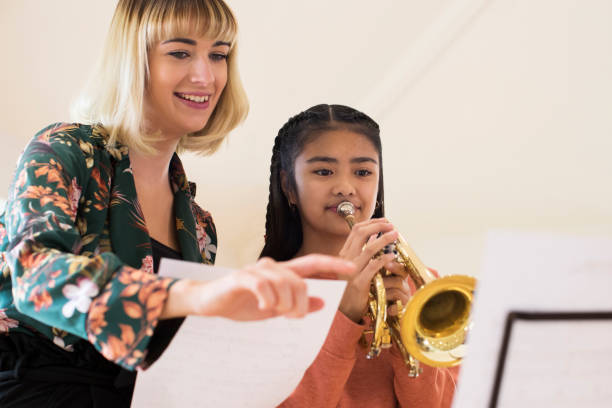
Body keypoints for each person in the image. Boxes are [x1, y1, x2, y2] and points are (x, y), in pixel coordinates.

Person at [0, 2, 355, 407]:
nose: (205, 76)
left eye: (218, 55)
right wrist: (195, 295)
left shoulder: (201, 228)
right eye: (180, 53)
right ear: (133, 62)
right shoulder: (65, 150)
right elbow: (33, 273)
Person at [260, 104, 459, 407]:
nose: (345, 188)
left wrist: (412, 339)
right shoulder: (263, 293)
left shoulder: (423, 285)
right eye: (323, 171)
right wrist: (345, 315)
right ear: (289, 186)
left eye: (363, 172)